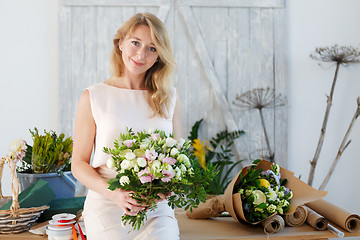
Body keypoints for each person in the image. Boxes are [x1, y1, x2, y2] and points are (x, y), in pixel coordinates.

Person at [71, 12, 182, 239]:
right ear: (120, 42)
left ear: (159, 56)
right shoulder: (93, 96)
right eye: (135, 43)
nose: (141, 54)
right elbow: (78, 164)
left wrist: (165, 188)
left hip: (155, 210)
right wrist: (116, 194)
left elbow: (179, 159)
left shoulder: (169, 98)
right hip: (107, 203)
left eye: (152, 48)